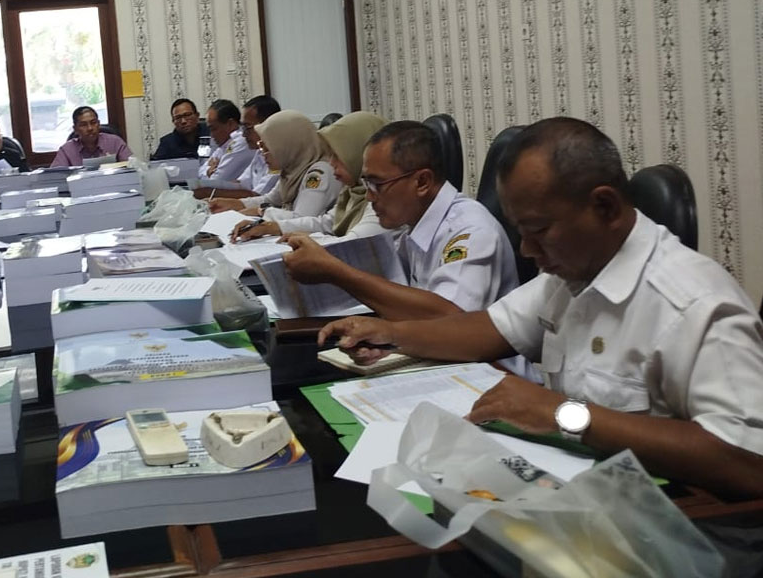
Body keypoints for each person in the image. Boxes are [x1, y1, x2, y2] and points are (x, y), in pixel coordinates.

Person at [317, 118, 763, 499]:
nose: (527, 250)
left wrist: (564, 414)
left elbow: (748, 460)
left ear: (605, 206)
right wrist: (391, 334)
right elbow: (486, 329)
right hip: (573, 494)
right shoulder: (572, 273)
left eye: (539, 230)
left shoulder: (693, 302)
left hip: (670, 522)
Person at [282, 120, 519, 322]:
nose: (369, 196)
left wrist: (336, 272)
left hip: (475, 361)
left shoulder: (470, 232)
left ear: (422, 182)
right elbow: (392, 286)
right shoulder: (414, 225)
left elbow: (450, 319)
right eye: (366, 183)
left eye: (377, 184)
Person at [230, 111, 388, 242]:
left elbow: (352, 244)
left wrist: (265, 216)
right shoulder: (355, 190)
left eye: (338, 155)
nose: (331, 163)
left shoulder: (381, 197)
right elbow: (328, 222)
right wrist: (272, 227)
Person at [208, 110, 343, 219]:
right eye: (261, 146)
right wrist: (235, 203)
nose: (263, 153)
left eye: (267, 147)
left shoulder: (320, 173)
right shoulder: (292, 170)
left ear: (287, 146)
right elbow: (271, 199)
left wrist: (261, 212)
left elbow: (302, 218)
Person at [193, 95, 281, 200]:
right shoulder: (259, 152)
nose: (243, 134)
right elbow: (241, 183)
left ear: (267, 125)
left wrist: (210, 192)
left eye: (247, 127)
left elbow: (260, 196)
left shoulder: (279, 156)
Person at [51, 106, 132, 166]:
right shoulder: (67, 150)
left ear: (98, 124)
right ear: (75, 129)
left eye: (93, 123)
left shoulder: (115, 142)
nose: (90, 128)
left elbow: (131, 168)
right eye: (83, 125)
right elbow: (57, 176)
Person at [198, 99, 255, 184]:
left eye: (214, 129)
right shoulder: (224, 144)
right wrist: (208, 171)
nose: (212, 135)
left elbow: (216, 181)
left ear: (230, 124)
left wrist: (208, 172)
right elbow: (200, 173)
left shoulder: (242, 142)